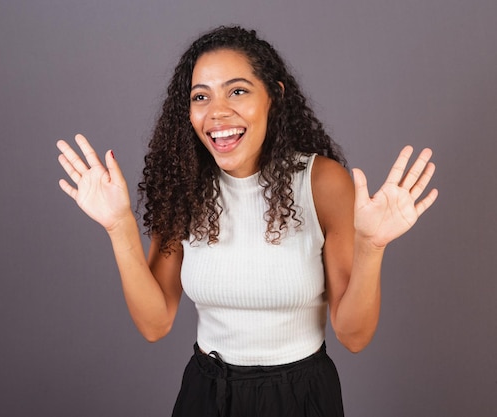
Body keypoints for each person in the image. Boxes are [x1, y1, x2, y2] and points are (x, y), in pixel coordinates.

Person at [56, 26, 437, 417]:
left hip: (301, 397)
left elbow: (354, 337)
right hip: (206, 395)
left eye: (237, 91)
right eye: (201, 96)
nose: (217, 112)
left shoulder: (322, 183)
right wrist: (119, 226)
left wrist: (372, 247)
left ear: (275, 95)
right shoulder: (183, 187)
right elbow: (155, 324)